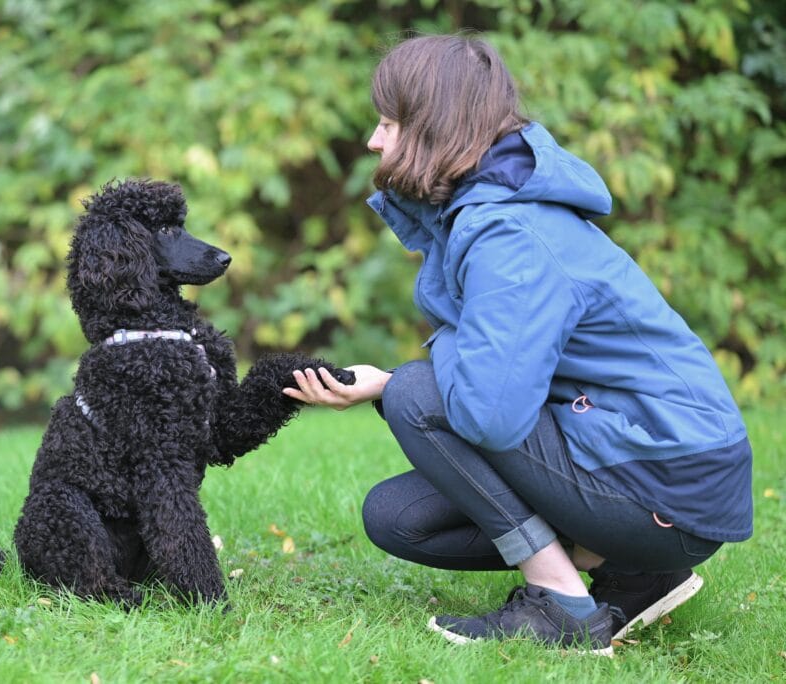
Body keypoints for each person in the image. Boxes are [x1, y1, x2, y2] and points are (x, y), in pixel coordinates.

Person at [284, 33, 753, 656]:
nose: (374, 140)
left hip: (671, 483)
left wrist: (401, 381)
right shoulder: (487, 211)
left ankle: (562, 604)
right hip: (653, 465)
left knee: (419, 395)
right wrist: (397, 379)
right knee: (399, 517)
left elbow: (488, 414)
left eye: (388, 122)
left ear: (433, 126)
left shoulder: (511, 233)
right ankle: (637, 574)